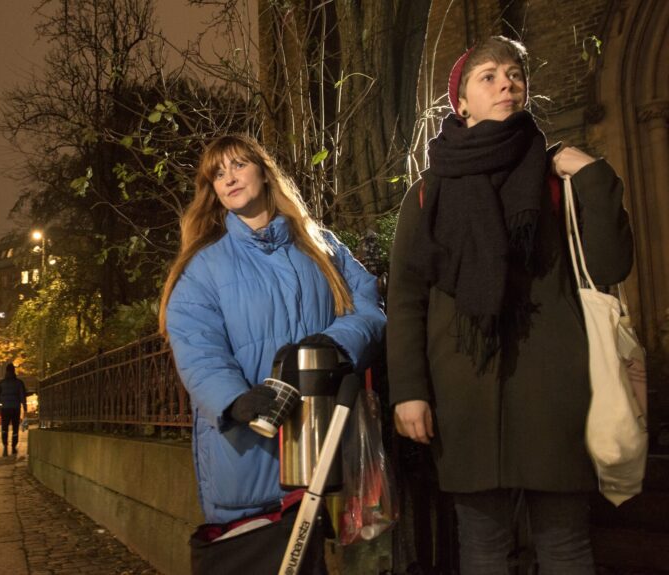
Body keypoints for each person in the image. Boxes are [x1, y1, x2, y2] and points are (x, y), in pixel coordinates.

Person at [387, 36, 634, 574]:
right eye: (489, 76)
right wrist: (409, 392)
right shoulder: (428, 194)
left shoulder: (557, 180)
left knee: (566, 544)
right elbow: (406, 300)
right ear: (461, 103)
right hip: (465, 394)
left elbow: (612, 267)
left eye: (514, 74)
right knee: (482, 547)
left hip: (556, 390)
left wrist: (591, 174)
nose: (506, 83)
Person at [159, 134, 386, 573]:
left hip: (323, 444)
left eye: (238, 166)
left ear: (264, 173)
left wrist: (340, 342)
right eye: (217, 174)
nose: (229, 179)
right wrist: (233, 399)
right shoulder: (204, 267)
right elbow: (196, 345)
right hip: (249, 454)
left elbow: (369, 306)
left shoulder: (319, 246)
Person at [0, 363, 28, 457]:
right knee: (15, 429)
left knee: (4, 428)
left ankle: (5, 446)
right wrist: (25, 409)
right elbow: (22, 396)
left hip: (5, 409)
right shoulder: (19, 383)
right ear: (14, 371)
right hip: (15, 408)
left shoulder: (1, 383)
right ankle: (13, 447)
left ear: (6, 371)